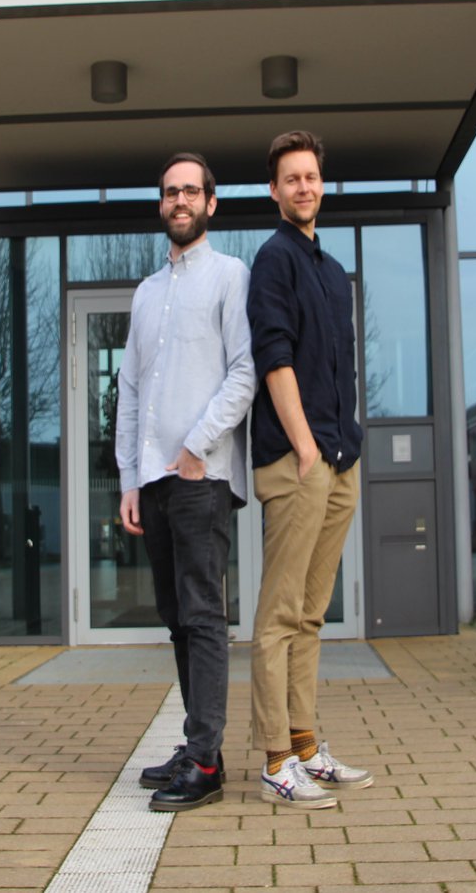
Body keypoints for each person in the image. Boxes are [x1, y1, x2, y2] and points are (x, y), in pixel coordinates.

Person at [115, 151, 255, 812]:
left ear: (211, 204)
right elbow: (131, 390)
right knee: (176, 619)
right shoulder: (145, 294)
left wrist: (197, 447)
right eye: (170, 191)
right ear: (161, 203)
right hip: (155, 481)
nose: (180, 201)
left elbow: (245, 372)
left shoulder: (231, 276)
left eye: (191, 191)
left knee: (202, 617)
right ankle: (200, 742)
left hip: (201, 477)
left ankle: (205, 762)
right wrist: (129, 479)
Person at [246, 130, 373, 809]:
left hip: (339, 457)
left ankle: (304, 746)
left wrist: (343, 446)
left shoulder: (332, 270)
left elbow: (339, 369)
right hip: (299, 461)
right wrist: (304, 449)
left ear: (322, 184)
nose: (303, 186)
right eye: (291, 178)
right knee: (279, 616)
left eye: (311, 177)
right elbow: (276, 359)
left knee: (312, 617)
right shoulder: (274, 260)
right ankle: (273, 761)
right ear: (275, 191)